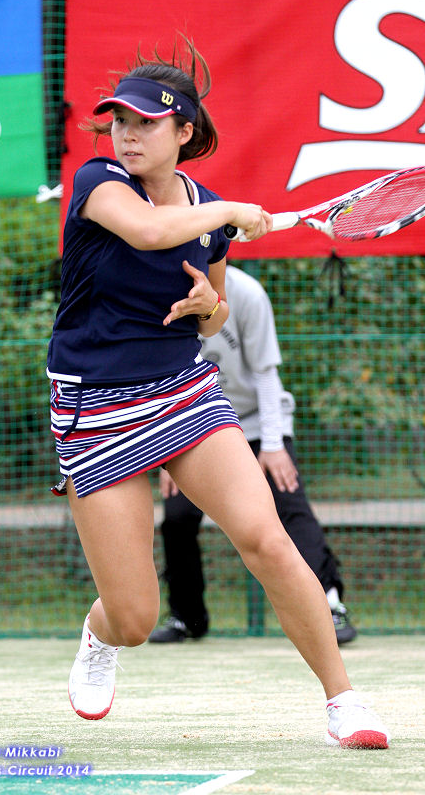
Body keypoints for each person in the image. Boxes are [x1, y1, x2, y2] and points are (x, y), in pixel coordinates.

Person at [47, 38, 389, 748]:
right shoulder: (98, 181)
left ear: (184, 132)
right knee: (135, 617)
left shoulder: (207, 213)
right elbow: (149, 231)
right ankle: (100, 633)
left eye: (146, 122)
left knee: (266, 538)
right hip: (95, 405)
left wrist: (209, 303)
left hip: (183, 389)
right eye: (120, 120)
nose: (127, 134)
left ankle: (344, 701)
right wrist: (230, 210)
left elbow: (216, 314)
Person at [150, 265, 357, 646]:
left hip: (258, 422)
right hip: (193, 424)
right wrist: (166, 449)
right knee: (177, 517)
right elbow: (161, 381)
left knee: (288, 503)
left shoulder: (248, 294)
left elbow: (265, 373)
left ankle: (330, 603)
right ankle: (186, 617)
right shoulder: (160, 289)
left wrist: (273, 445)